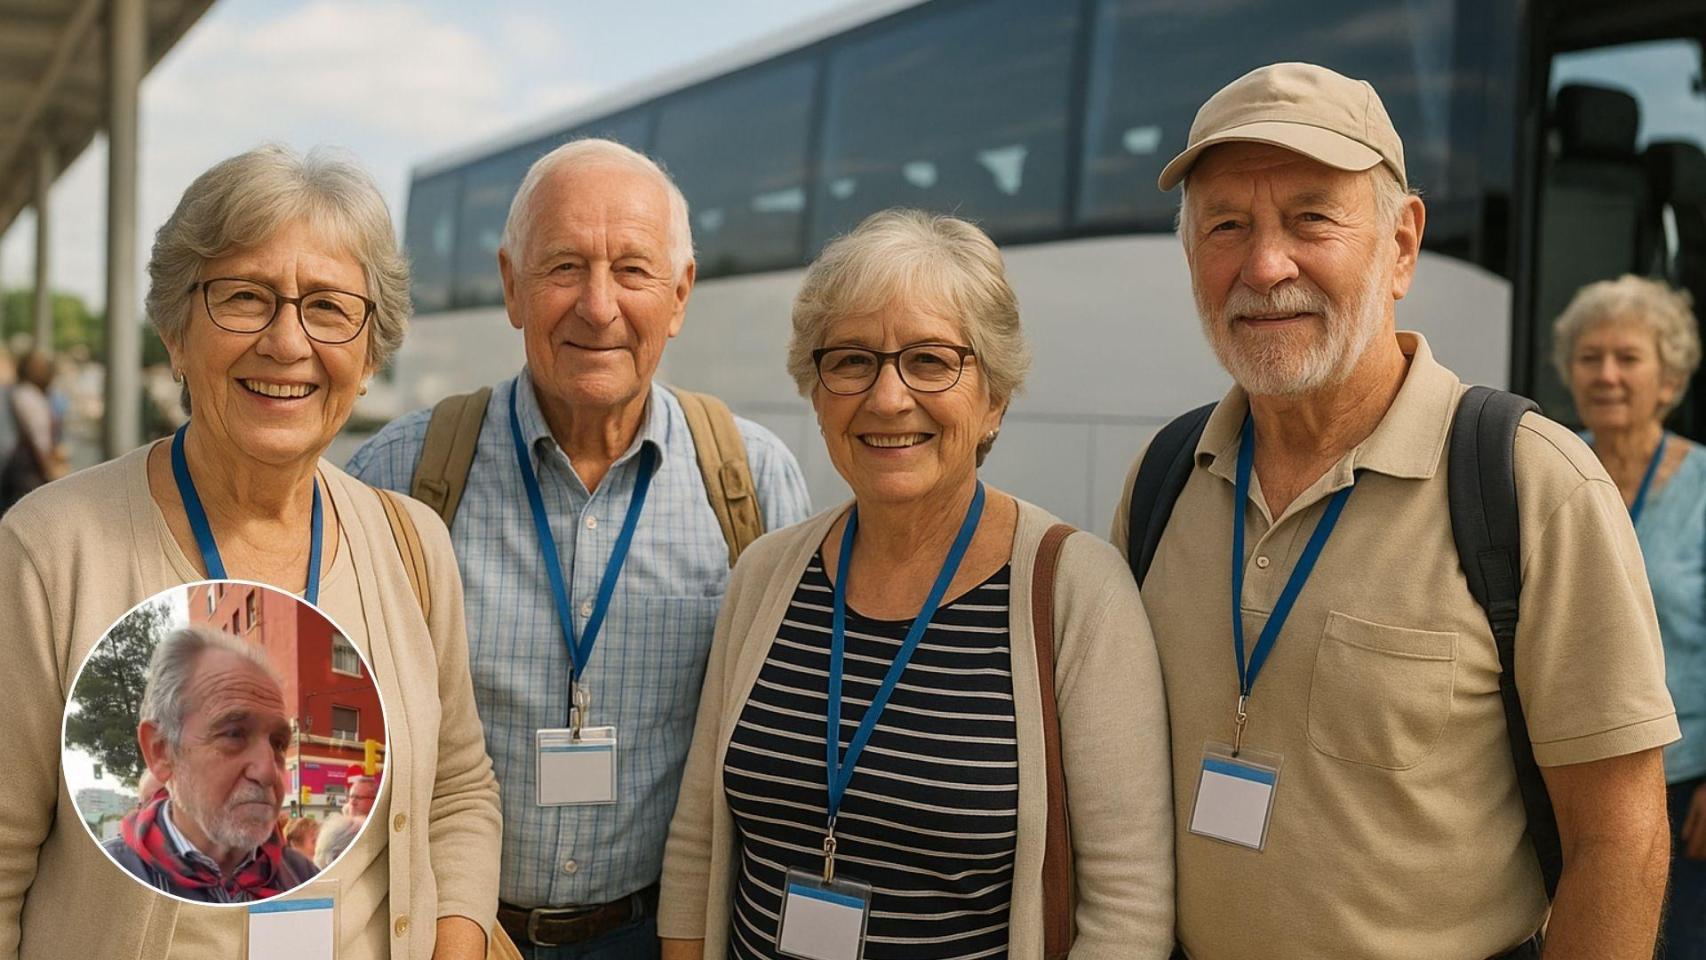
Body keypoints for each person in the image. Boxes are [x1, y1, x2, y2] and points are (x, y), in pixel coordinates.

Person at [1109, 63, 1679, 959]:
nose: (1265, 265)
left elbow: (1620, 839)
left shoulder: (1530, 485)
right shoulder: (1166, 476)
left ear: (1402, 245)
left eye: (1311, 218)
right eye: (1227, 224)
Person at [0, 145, 501, 959]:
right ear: (175, 333)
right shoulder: (48, 554)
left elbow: (459, 790)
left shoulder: (412, 546)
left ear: (370, 355)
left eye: (330, 308)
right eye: (244, 298)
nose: (286, 341)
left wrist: (456, 941)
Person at [659, 209, 1175, 958]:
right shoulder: (765, 576)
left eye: (931, 361)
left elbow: (1126, 904)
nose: (888, 397)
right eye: (852, 360)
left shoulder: (1076, 593)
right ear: (816, 387)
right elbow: (698, 841)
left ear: (993, 397)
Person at [347, 138, 811, 959]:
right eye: (564, 267)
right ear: (511, 286)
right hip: (456, 934)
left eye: (632, 270)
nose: (598, 307)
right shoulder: (402, 474)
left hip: (656, 935)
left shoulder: (751, 483)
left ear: (680, 294)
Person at [1555, 274, 1706, 957]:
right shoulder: (1547, 468)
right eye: (1590, 358)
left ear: (1668, 379)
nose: (1607, 374)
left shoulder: (1703, 485)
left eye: (1628, 357)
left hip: (1681, 789)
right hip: (1565, 779)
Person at [101, 625, 318, 902]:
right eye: (234, 734)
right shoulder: (100, 884)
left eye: (277, 743)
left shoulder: (305, 878)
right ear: (161, 751)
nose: (268, 771)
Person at [1, 351, 66, 513]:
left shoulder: (16, 392)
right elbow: (39, 437)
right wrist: (50, 469)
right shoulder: (28, 395)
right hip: (25, 470)